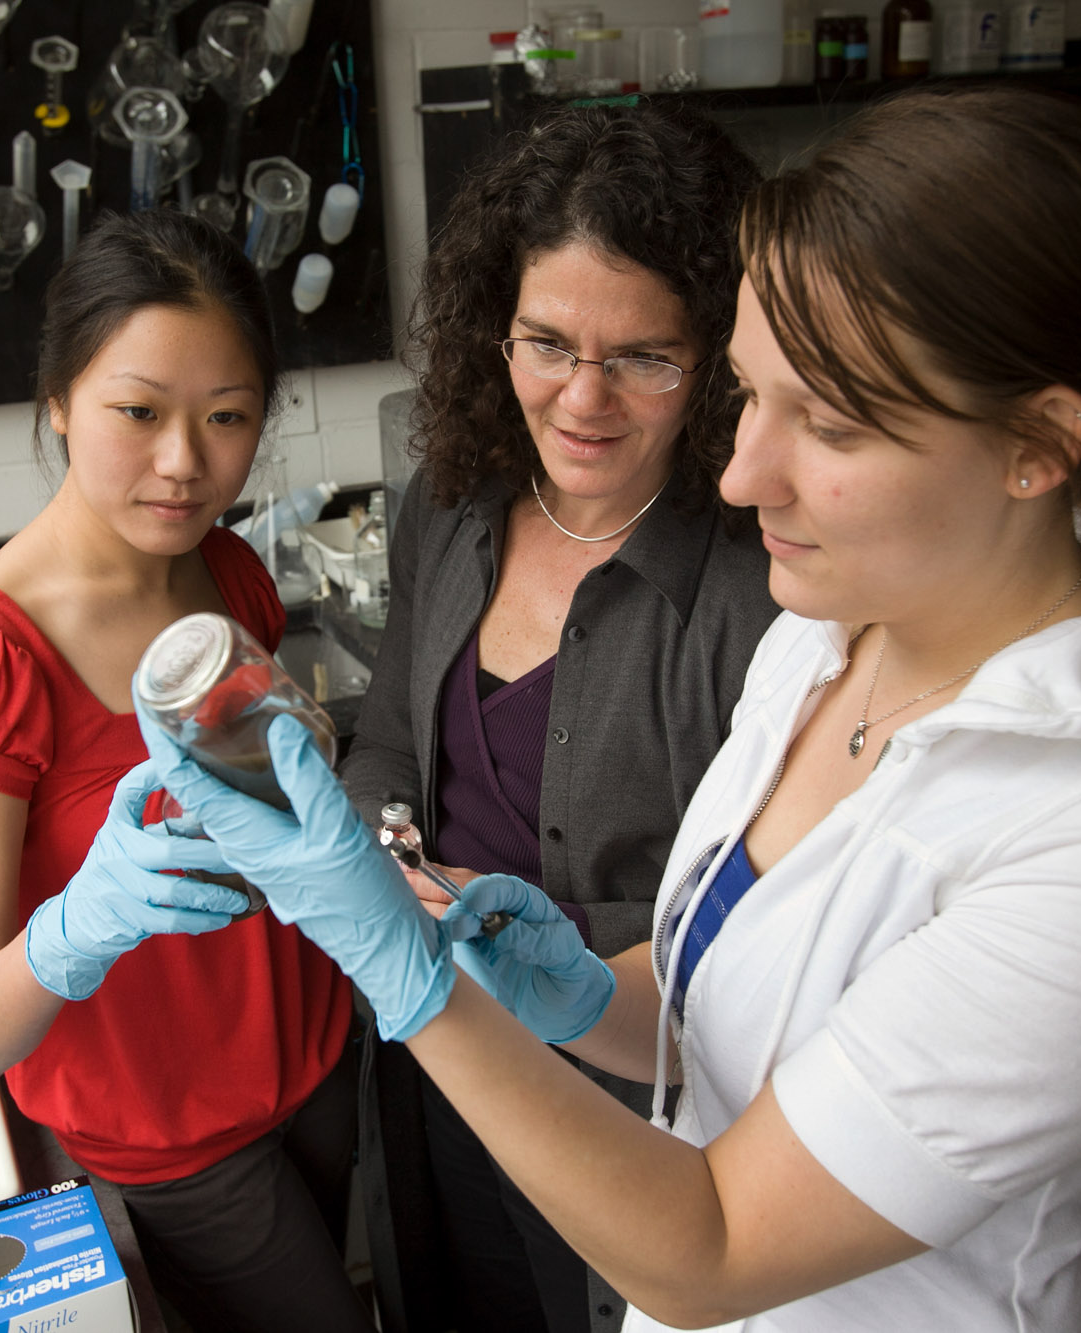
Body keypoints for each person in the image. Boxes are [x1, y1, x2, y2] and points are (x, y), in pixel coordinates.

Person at [134, 86, 1081, 1332]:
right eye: (748, 395)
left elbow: (714, 1248)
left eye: (831, 422)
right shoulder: (827, 636)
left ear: (1038, 445)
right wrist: (580, 992)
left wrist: (406, 968)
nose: (740, 474)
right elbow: (719, 1011)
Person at [0, 211, 366, 1333]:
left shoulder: (226, 571)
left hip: (317, 1061)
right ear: (56, 401)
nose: (185, 462)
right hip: (168, 1138)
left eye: (227, 418)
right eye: (137, 412)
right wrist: (76, 925)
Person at [339, 97, 781, 1333]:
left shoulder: (759, 586)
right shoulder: (454, 495)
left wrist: (537, 941)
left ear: (720, 362)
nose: (582, 400)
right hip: (436, 1041)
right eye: (545, 344)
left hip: (630, 1082)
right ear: (497, 329)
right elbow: (385, 730)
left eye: (643, 356)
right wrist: (387, 859)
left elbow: (772, 918)